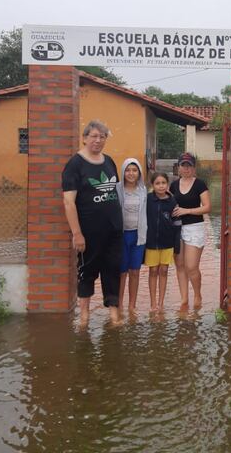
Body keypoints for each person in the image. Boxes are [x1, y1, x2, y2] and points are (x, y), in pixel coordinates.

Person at [61, 120, 123, 325]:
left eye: (102, 136)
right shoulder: (75, 164)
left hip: (113, 230)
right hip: (88, 232)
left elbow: (115, 192)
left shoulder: (109, 161)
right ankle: (85, 316)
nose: (98, 140)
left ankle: (114, 314)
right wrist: (77, 233)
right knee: (87, 272)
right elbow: (69, 202)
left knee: (112, 270)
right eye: (94, 136)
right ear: (85, 138)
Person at [170, 152, 210, 310]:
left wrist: (187, 211)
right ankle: (184, 299)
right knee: (180, 265)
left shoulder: (200, 184)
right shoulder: (173, 185)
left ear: (194, 168)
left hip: (195, 228)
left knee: (191, 266)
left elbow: (207, 207)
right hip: (177, 228)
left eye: (189, 166)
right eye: (183, 165)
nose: (186, 169)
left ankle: (197, 294)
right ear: (178, 167)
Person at [144, 171, 181, 312]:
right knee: (153, 270)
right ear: (152, 185)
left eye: (163, 183)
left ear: (168, 184)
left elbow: (177, 224)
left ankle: (161, 302)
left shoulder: (172, 201)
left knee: (164, 270)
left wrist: (176, 245)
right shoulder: (147, 200)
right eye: (157, 183)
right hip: (151, 242)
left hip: (167, 242)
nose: (161, 186)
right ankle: (153, 303)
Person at [116, 158, 147, 313]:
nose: (131, 173)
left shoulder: (143, 191)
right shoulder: (117, 190)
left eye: (134, 170)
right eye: (128, 170)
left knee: (135, 271)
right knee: (122, 272)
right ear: (123, 172)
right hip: (122, 237)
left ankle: (132, 305)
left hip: (138, 236)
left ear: (139, 172)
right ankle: (119, 305)